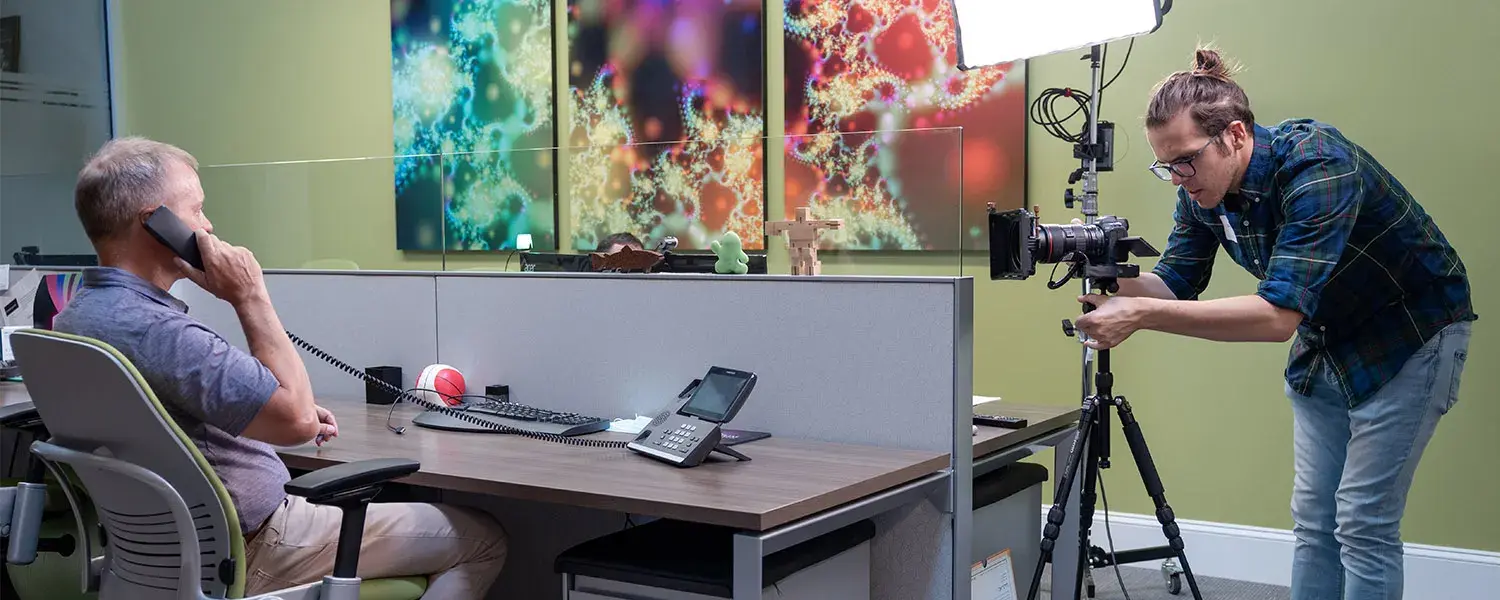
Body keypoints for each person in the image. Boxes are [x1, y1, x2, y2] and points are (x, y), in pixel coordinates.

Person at [1073, 48, 1476, 599]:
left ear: (1235, 136)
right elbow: (1175, 283)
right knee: (1313, 520)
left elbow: (1275, 317)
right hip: (1328, 338)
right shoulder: (1201, 191)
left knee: (1362, 523)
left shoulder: (1318, 166)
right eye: (1164, 165)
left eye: (1184, 161)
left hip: (1410, 331)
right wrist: (1092, 264)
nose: (1176, 178)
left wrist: (1143, 314)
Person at [54, 137, 508, 598]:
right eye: (196, 210)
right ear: (156, 224)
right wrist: (250, 295)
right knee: (481, 539)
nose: (208, 226)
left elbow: (175, 422)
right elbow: (295, 423)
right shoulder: (160, 334)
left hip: (161, 557)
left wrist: (279, 411)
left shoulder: (74, 319)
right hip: (257, 547)